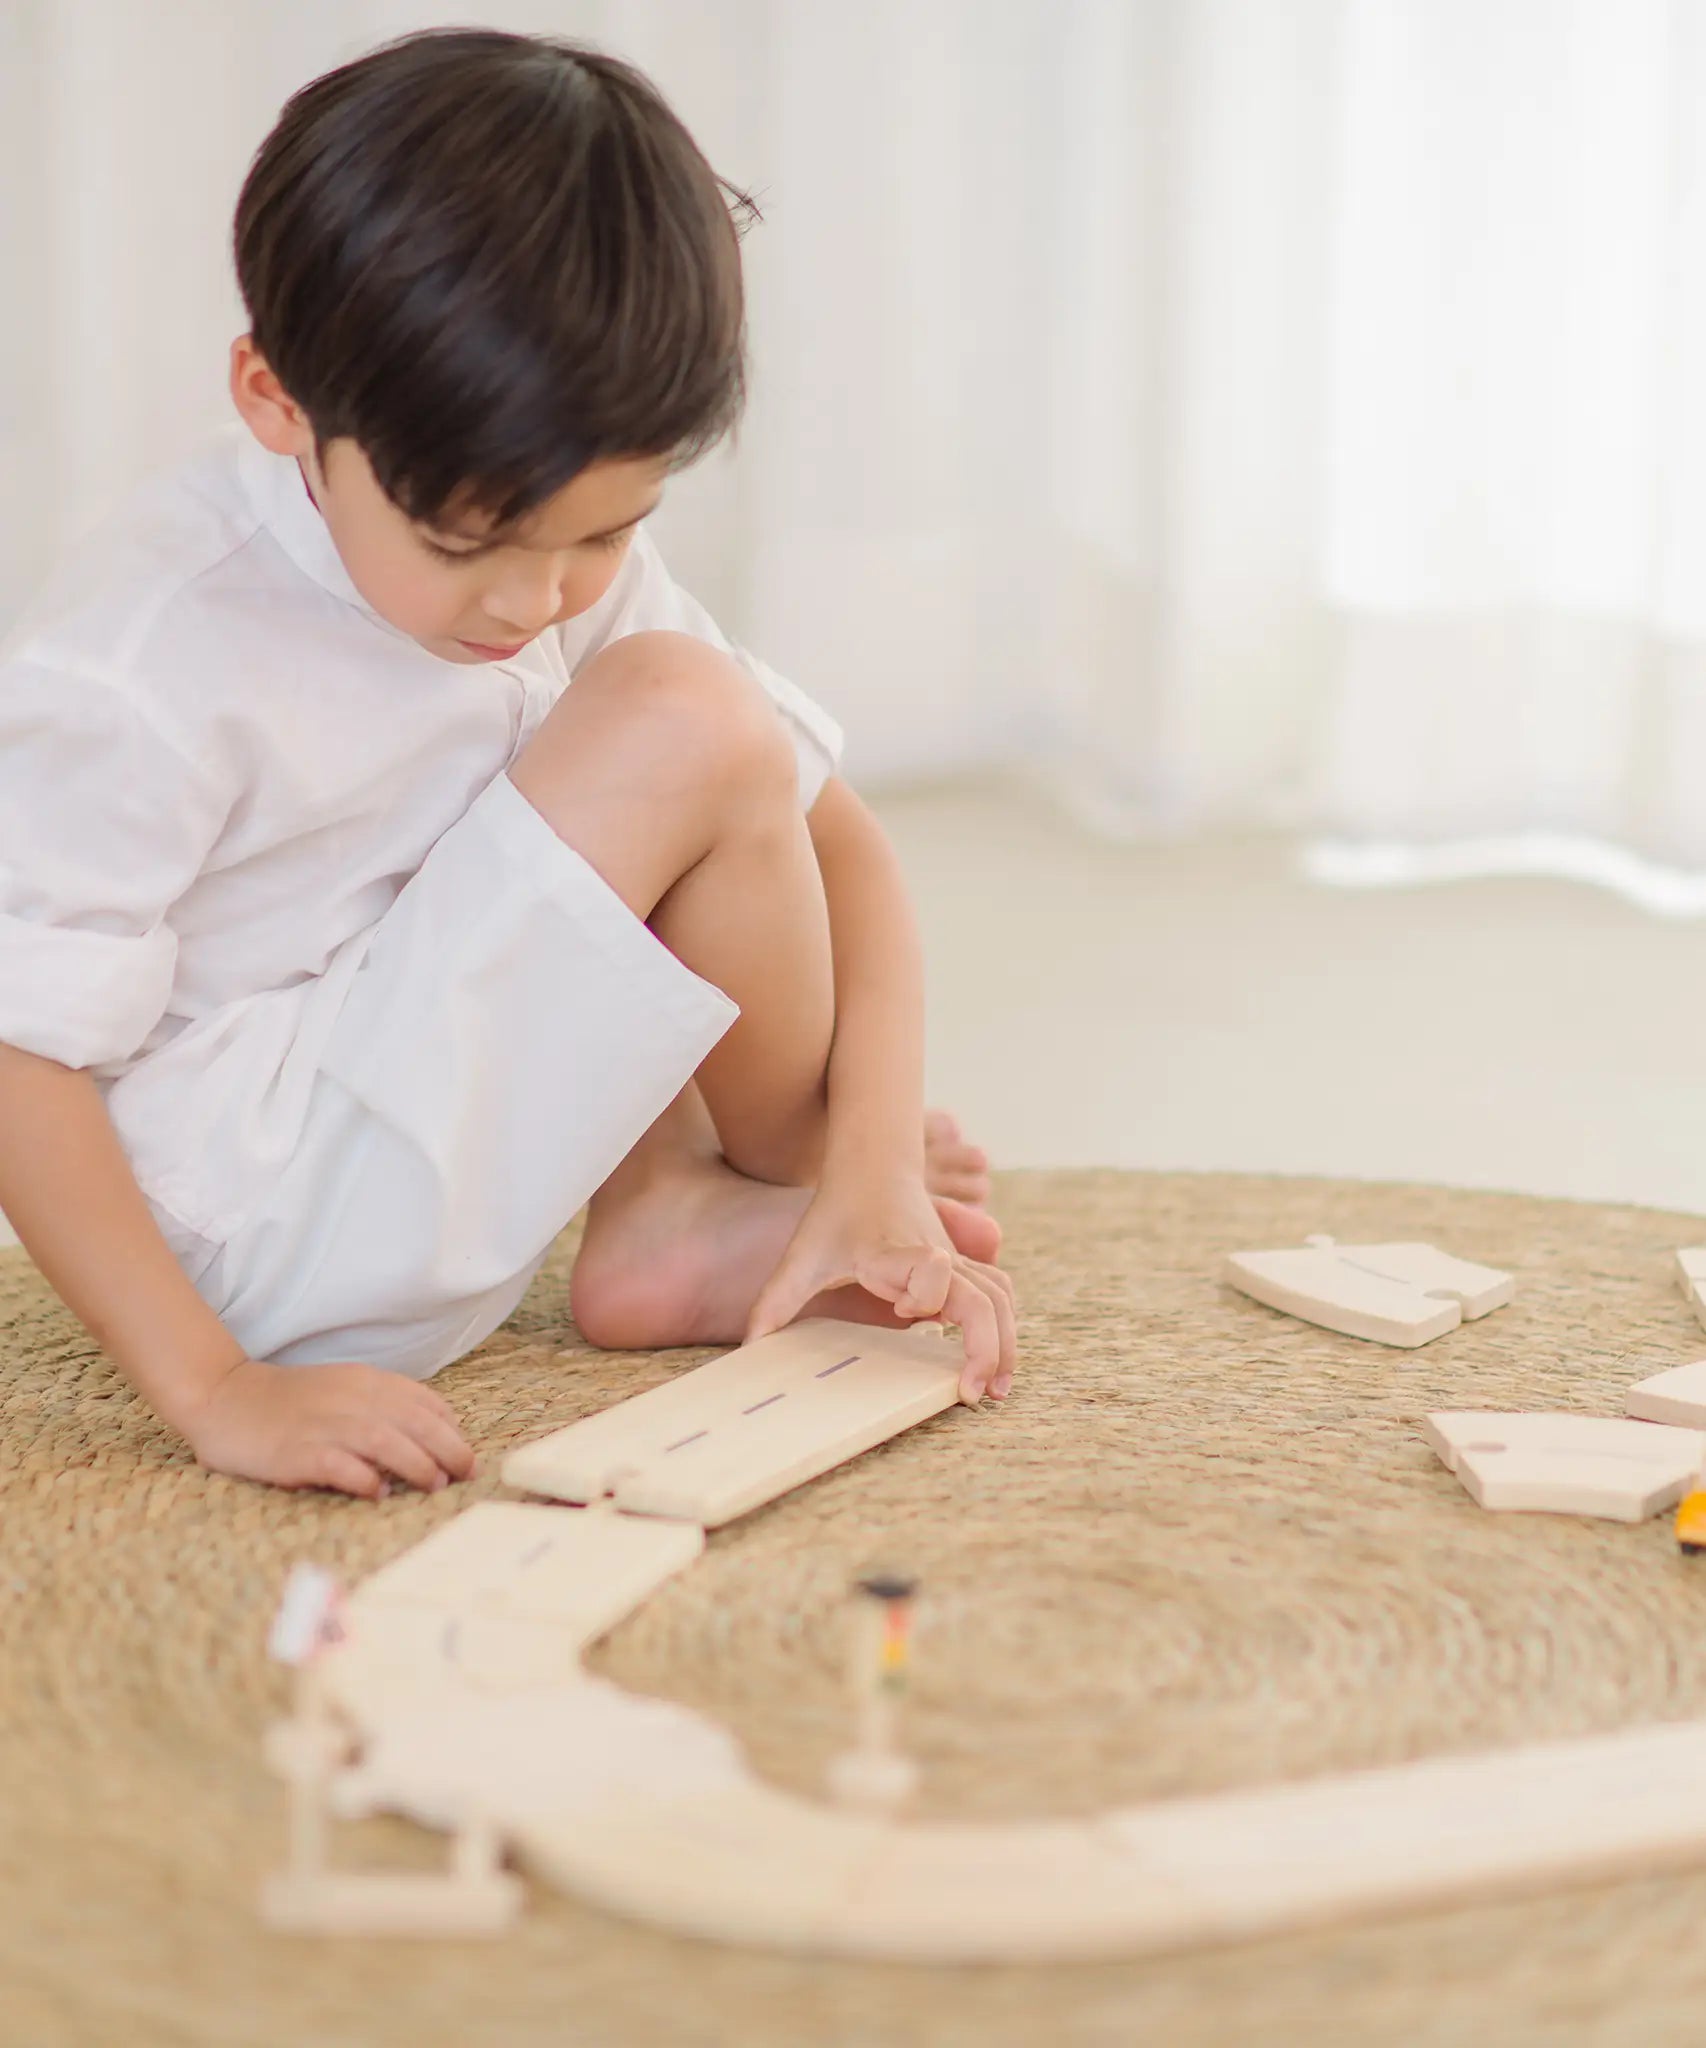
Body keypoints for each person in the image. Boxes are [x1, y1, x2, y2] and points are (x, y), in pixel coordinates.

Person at [0, 29, 1017, 1502]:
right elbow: (21, 1051)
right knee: (678, 713)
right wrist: (218, 1390)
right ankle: (751, 1181)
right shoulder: (145, 653)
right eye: (469, 546)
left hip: (399, 1121)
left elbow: (834, 836)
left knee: (666, 723)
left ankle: (703, 1200)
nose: (536, 600)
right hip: (261, 1235)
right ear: (276, 399)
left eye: (603, 532)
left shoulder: (540, 555)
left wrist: (870, 1157)